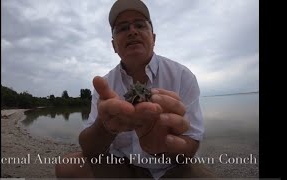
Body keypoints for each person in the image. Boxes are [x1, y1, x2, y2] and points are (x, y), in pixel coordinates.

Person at [55, 0, 215, 178]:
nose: (132, 31)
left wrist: (162, 146)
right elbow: (89, 149)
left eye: (139, 25)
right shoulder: (105, 85)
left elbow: (192, 144)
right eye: (122, 28)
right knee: (67, 167)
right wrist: (105, 126)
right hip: (121, 164)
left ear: (153, 39)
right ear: (114, 45)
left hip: (172, 167)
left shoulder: (183, 76)